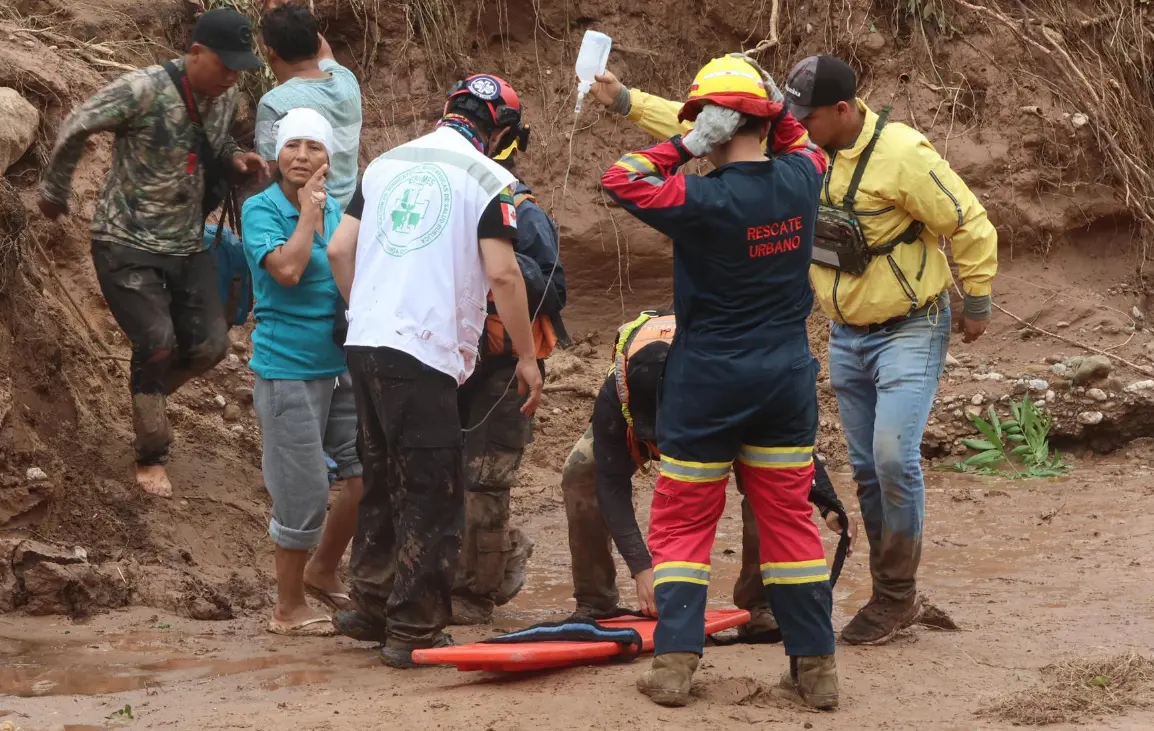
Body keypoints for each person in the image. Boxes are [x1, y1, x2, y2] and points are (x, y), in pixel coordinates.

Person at [600, 55, 836, 709]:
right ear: (763, 119)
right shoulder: (801, 177)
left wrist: (686, 142)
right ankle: (815, 668)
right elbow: (803, 142)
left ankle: (675, 664)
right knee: (789, 521)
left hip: (707, 383)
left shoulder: (699, 198)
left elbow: (622, 178)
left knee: (683, 523)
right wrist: (769, 104)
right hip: (784, 380)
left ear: (710, 124)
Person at [778, 55, 998, 645]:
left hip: (910, 327)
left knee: (894, 458)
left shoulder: (902, 154)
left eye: (808, 115)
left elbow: (970, 223)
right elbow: (710, 125)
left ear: (844, 110)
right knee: (869, 472)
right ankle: (891, 593)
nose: (796, 125)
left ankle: (897, 595)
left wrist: (976, 302)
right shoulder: (806, 148)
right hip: (846, 337)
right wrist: (627, 104)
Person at [327, 74, 544, 668]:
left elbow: (338, 251)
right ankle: (414, 626)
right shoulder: (490, 180)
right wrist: (526, 357)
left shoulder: (384, 164)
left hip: (364, 341)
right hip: (421, 351)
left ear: (450, 110)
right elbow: (504, 275)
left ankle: (370, 601)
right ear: (500, 129)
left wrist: (366, 310)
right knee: (432, 489)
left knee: (380, 476)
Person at [38, 8, 266, 498]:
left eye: (239, 69)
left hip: (187, 243)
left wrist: (234, 158)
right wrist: (56, 192)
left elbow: (219, 139)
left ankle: (149, 397)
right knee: (158, 341)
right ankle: (151, 453)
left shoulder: (227, 97)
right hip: (125, 241)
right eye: (224, 65)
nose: (231, 76)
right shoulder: (143, 89)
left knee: (210, 345)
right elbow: (79, 122)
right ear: (196, 53)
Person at [561, 312, 851, 641]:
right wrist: (642, 567)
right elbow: (610, 481)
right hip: (668, 400)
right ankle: (594, 601)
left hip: (718, 407)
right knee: (581, 471)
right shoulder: (620, 384)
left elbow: (788, 448)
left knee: (768, 486)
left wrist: (828, 501)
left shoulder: (736, 377)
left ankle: (760, 606)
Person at [239, 108, 358, 636]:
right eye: (293, 146)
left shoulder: (340, 209)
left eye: (314, 147)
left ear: (330, 157)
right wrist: (309, 214)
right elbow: (287, 271)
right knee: (302, 491)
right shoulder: (260, 210)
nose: (303, 157)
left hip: (342, 365)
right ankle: (288, 609)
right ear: (275, 154)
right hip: (286, 368)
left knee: (364, 475)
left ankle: (323, 569)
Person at [451, 135, 568, 626]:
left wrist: (497, 255)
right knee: (434, 476)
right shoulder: (446, 205)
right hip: (442, 359)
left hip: (502, 368)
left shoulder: (524, 211)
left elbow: (555, 289)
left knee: (485, 480)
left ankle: (476, 592)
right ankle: (460, 572)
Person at [255, 3, 362, 210]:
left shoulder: (274, 103)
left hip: (306, 221)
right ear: (314, 43)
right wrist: (294, 20)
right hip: (347, 222)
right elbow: (324, 53)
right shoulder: (347, 81)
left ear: (271, 52)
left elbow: (269, 175)